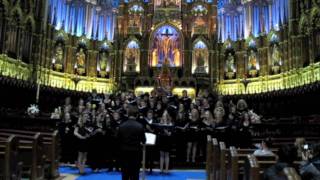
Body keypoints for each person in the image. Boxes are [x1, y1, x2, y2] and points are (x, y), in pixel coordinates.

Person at [118, 105, 146, 180]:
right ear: (136, 115)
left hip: (124, 153)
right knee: (135, 174)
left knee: (125, 175)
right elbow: (144, 140)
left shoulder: (122, 126)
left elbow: (118, 140)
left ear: (128, 115)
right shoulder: (140, 126)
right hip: (136, 153)